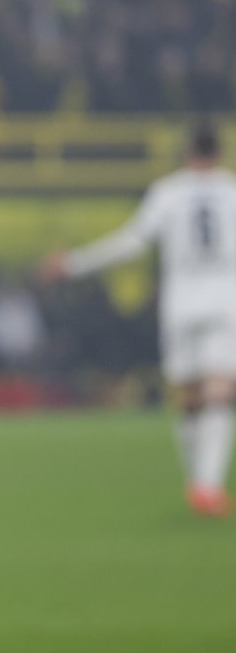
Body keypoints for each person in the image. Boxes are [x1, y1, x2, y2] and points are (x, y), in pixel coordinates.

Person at [41, 122, 236, 517]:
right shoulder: (231, 190)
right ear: (218, 153)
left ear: (186, 153)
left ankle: (199, 484)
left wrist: (75, 263)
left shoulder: (169, 191)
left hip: (181, 302)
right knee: (219, 389)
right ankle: (207, 486)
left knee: (189, 394)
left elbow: (131, 242)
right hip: (225, 300)